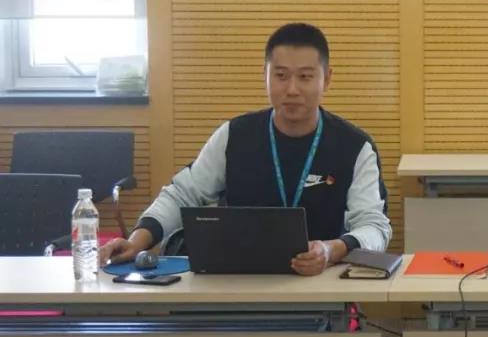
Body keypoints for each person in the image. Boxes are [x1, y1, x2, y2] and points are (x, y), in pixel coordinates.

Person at [99, 23, 391, 275]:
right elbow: (181, 195)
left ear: (326, 79)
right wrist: (137, 241)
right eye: (280, 75)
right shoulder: (234, 136)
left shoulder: (354, 147)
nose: (292, 89)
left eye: (305, 77)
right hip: (237, 281)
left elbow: (375, 227)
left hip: (321, 284)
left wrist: (331, 250)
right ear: (265, 76)